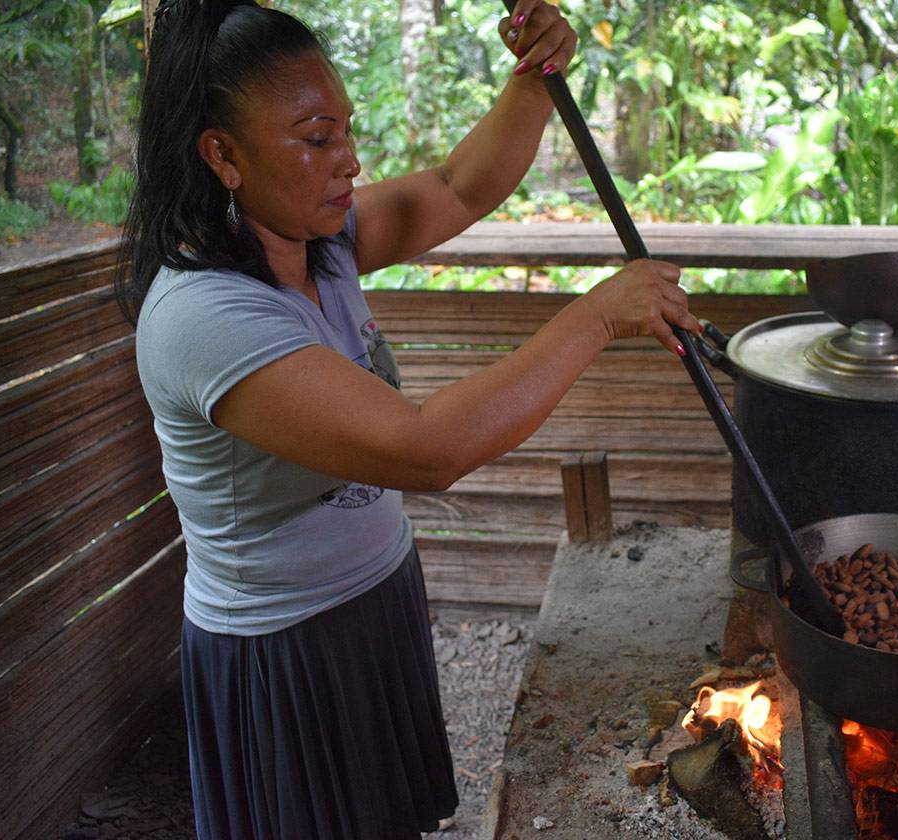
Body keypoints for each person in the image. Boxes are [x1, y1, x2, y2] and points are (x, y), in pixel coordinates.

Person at [116, 2, 700, 837]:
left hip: (376, 593)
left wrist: (535, 79)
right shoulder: (202, 316)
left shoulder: (319, 239)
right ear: (223, 154)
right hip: (286, 648)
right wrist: (598, 316)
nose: (348, 159)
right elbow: (427, 449)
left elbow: (458, 188)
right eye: (317, 139)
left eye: (345, 130)